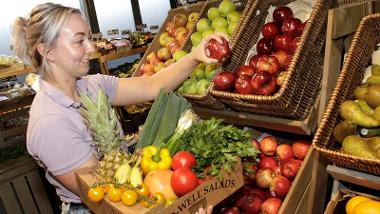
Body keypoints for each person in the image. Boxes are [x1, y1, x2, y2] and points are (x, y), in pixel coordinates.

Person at [12, 3, 225, 214]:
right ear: (47, 52)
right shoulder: (50, 123)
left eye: (88, 38)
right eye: (79, 41)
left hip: (129, 192)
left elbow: (150, 86)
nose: (91, 48)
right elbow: (104, 193)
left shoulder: (91, 85)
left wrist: (194, 56)